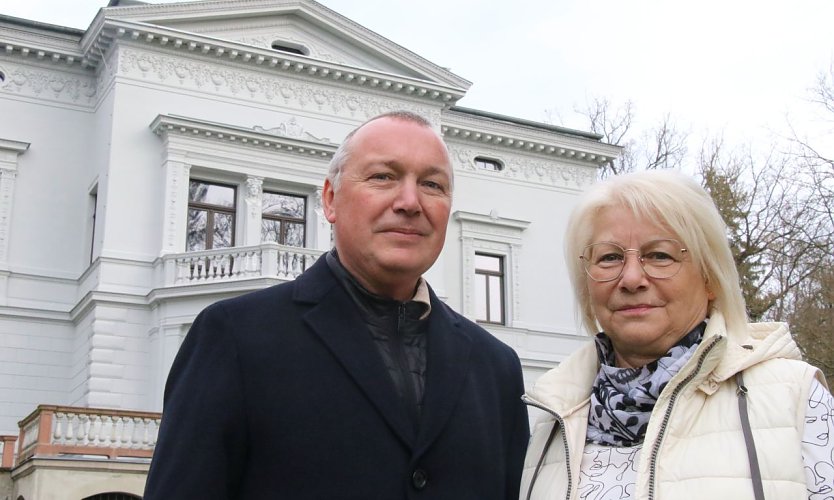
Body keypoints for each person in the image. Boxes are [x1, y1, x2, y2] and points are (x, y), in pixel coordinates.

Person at [143, 111, 529, 499]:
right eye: (383, 176)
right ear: (330, 199)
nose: (410, 201)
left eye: (432, 184)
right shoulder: (235, 338)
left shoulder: (497, 369)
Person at [520, 170, 834, 499]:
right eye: (609, 257)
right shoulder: (552, 418)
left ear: (711, 277)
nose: (631, 278)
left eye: (659, 255)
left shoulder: (793, 398)